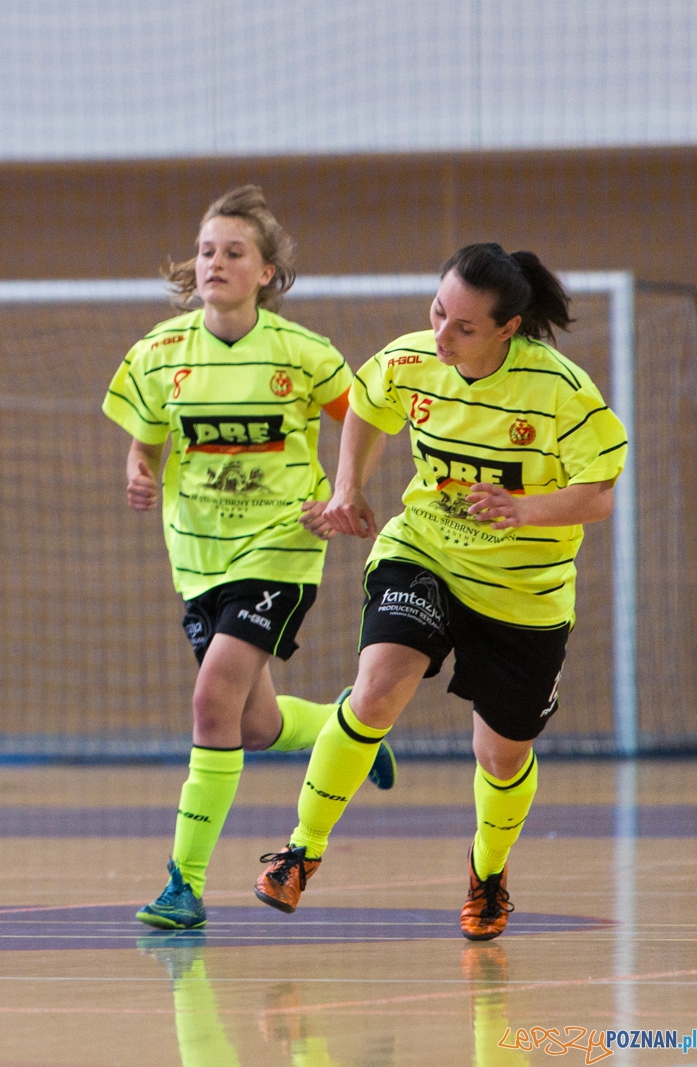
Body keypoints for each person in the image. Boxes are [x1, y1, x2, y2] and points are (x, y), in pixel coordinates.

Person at [253, 244, 626, 941]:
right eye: (437, 312)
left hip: (523, 590)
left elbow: (599, 494)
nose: (442, 335)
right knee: (378, 686)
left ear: (508, 327)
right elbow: (368, 403)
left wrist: (526, 509)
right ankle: (301, 850)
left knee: (501, 755)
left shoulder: (560, 391)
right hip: (424, 549)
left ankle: (488, 872)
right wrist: (348, 489)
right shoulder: (412, 359)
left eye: (464, 326)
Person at [102, 185, 393, 931]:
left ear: (267, 272)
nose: (215, 263)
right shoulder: (160, 353)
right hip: (198, 556)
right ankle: (346, 727)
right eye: (206, 250)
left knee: (209, 702)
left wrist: (347, 489)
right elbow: (147, 432)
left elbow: (364, 415)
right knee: (254, 725)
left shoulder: (303, 354)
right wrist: (139, 465)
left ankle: (183, 883)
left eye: (234, 252)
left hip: (281, 548)